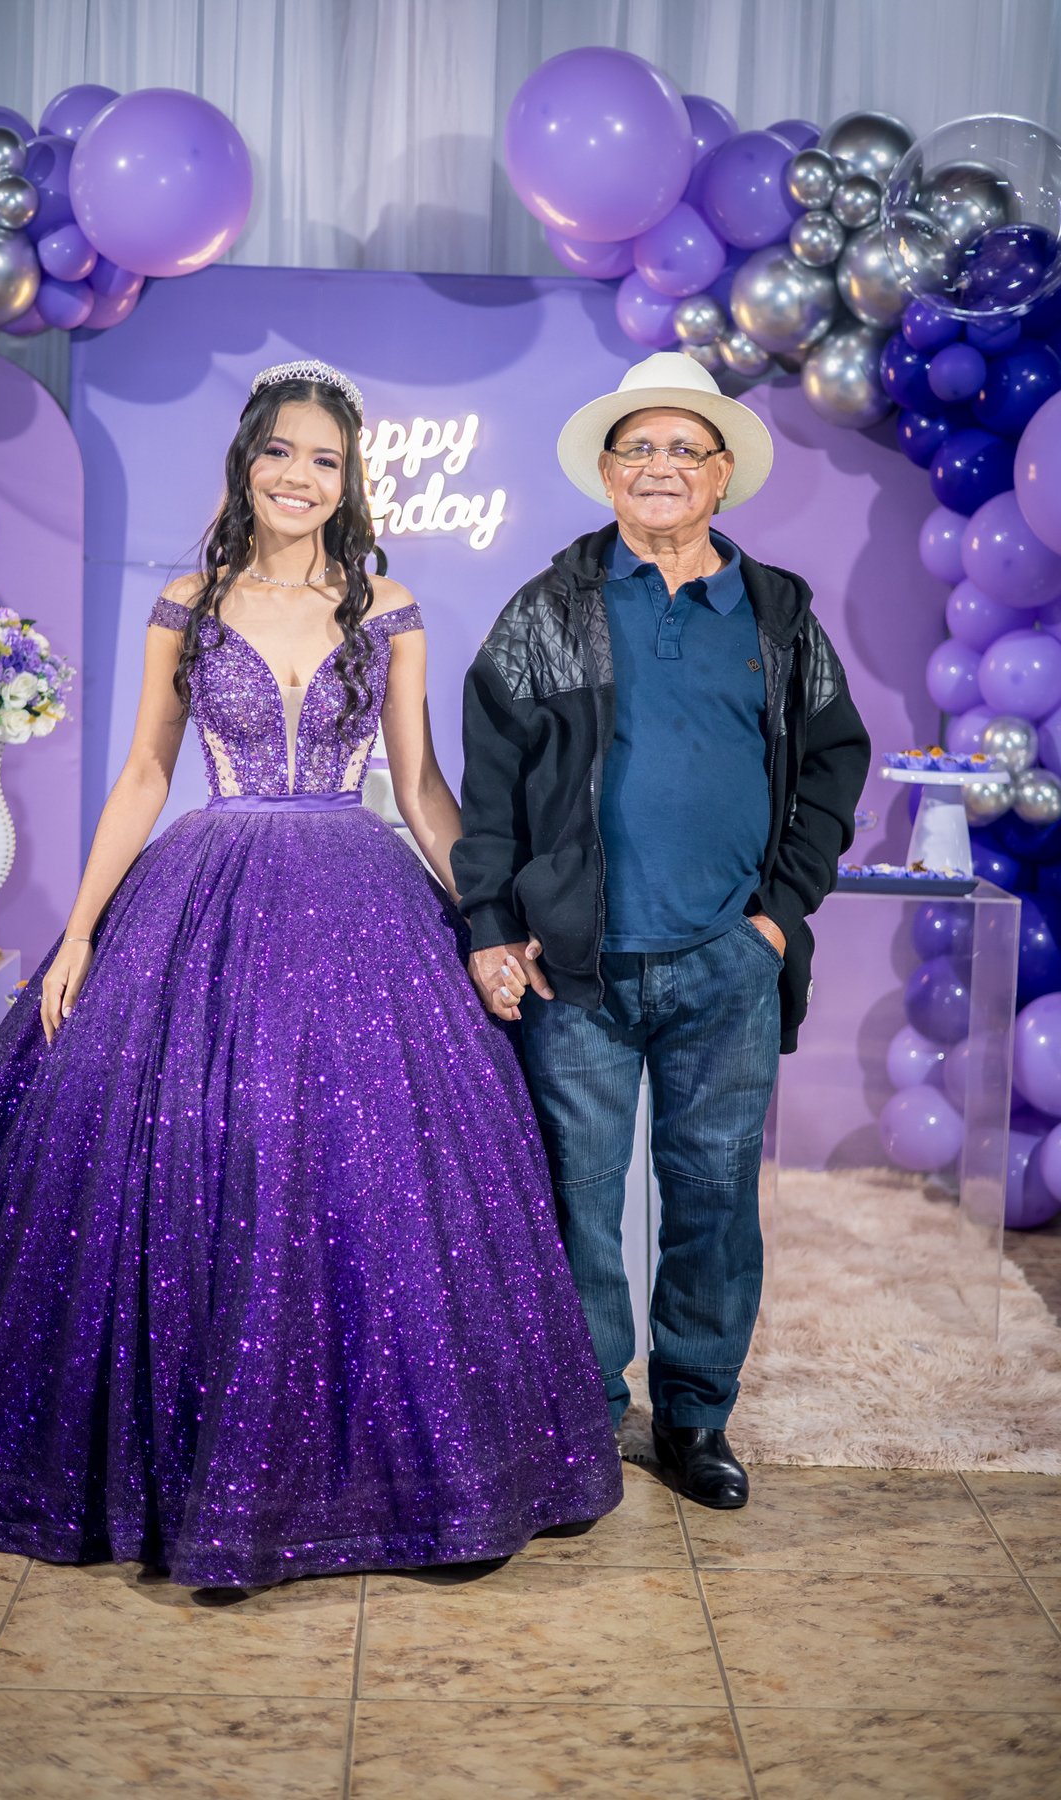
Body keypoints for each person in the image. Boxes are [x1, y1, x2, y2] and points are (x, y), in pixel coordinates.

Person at [0, 360, 622, 1589]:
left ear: (349, 481)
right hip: (205, 890)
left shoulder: (389, 608)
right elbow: (146, 775)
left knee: (371, 1165)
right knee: (191, 1151)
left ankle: (398, 1474)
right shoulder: (188, 603)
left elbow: (422, 788)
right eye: (280, 452)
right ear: (247, 463)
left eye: (325, 460)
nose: (299, 477)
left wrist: (486, 916)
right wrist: (83, 930)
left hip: (362, 894)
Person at [454, 352, 870, 1511]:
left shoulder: (777, 615)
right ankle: (583, 1418)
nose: (659, 466)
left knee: (712, 1201)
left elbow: (835, 762)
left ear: (722, 474)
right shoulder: (546, 611)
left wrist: (776, 919)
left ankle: (695, 1418)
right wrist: (492, 923)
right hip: (573, 971)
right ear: (606, 471)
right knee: (575, 1204)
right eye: (637, 447)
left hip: (726, 967)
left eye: (685, 448)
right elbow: (490, 790)